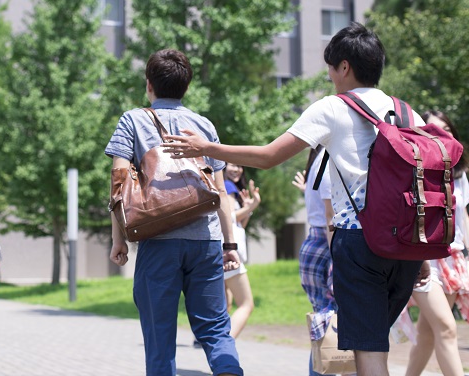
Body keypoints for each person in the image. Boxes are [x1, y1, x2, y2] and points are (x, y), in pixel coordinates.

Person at [162, 23, 429, 376]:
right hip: (407, 244)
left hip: (360, 241)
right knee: (377, 339)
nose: (331, 76)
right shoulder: (410, 114)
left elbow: (269, 155)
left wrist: (208, 148)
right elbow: (422, 189)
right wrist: (420, 253)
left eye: (332, 68)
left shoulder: (333, 108)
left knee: (368, 351)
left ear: (345, 67)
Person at [105, 48, 243, 376]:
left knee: (159, 338)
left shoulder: (133, 120)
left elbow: (118, 181)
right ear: (186, 86)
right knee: (215, 330)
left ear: (149, 85)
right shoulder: (203, 124)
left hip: (158, 241)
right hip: (206, 242)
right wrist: (230, 244)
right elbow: (220, 191)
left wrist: (118, 239)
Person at [404, 110, 469, 376]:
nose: (441, 136)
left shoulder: (460, 175)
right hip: (423, 259)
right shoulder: (413, 171)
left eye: (446, 130)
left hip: (454, 257)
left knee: (429, 331)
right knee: (446, 327)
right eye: (433, 130)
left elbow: (463, 218)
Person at [293, 146, 340, 376]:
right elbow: (331, 215)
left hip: (316, 242)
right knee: (331, 326)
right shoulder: (330, 157)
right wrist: (339, 260)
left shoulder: (319, 158)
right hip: (328, 243)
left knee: (325, 325)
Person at [222, 164, 258, 339]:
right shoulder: (226, 186)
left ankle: (212, 342)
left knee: (224, 303)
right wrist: (254, 205)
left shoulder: (231, 188)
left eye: (239, 166)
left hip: (222, 249)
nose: (235, 169)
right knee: (246, 304)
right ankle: (223, 347)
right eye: (232, 165)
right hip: (229, 252)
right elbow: (230, 216)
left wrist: (248, 208)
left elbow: (240, 223)